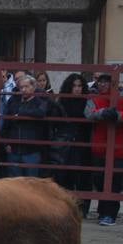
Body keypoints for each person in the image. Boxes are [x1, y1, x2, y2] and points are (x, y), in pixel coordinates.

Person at [84, 74, 123, 226]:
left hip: (120, 146)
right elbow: (88, 114)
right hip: (99, 146)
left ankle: (110, 214)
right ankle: (103, 211)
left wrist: (117, 115)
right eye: (100, 82)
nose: (102, 85)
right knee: (100, 181)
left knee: (115, 182)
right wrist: (102, 113)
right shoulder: (93, 96)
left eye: (106, 82)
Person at [52, 73, 93, 211]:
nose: (77, 89)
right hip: (65, 145)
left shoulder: (88, 102)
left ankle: (83, 209)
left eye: (80, 86)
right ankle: (65, 207)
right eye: (74, 86)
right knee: (65, 176)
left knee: (83, 177)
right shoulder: (62, 102)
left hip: (84, 144)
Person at [1, 75, 51, 178]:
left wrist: (21, 114)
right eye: (21, 87)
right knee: (14, 182)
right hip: (14, 150)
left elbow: (41, 112)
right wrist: (6, 143)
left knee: (31, 181)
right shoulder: (14, 101)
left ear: (33, 87)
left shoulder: (40, 101)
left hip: (32, 150)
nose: (24, 89)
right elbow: (6, 123)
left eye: (26, 86)